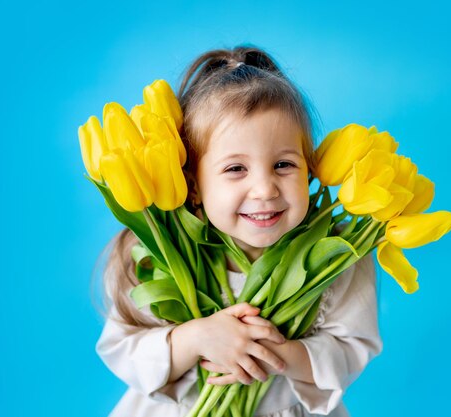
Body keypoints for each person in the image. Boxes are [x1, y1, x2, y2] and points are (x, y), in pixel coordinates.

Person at [95, 45, 383, 417]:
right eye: (235, 169)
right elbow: (123, 351)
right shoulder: (155, 255)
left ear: (310, 170)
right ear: (193, 185)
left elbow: (352, 349)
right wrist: (197, 338)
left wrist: (273, 352)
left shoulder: (339, 254)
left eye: (283, 164)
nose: (265, 189)